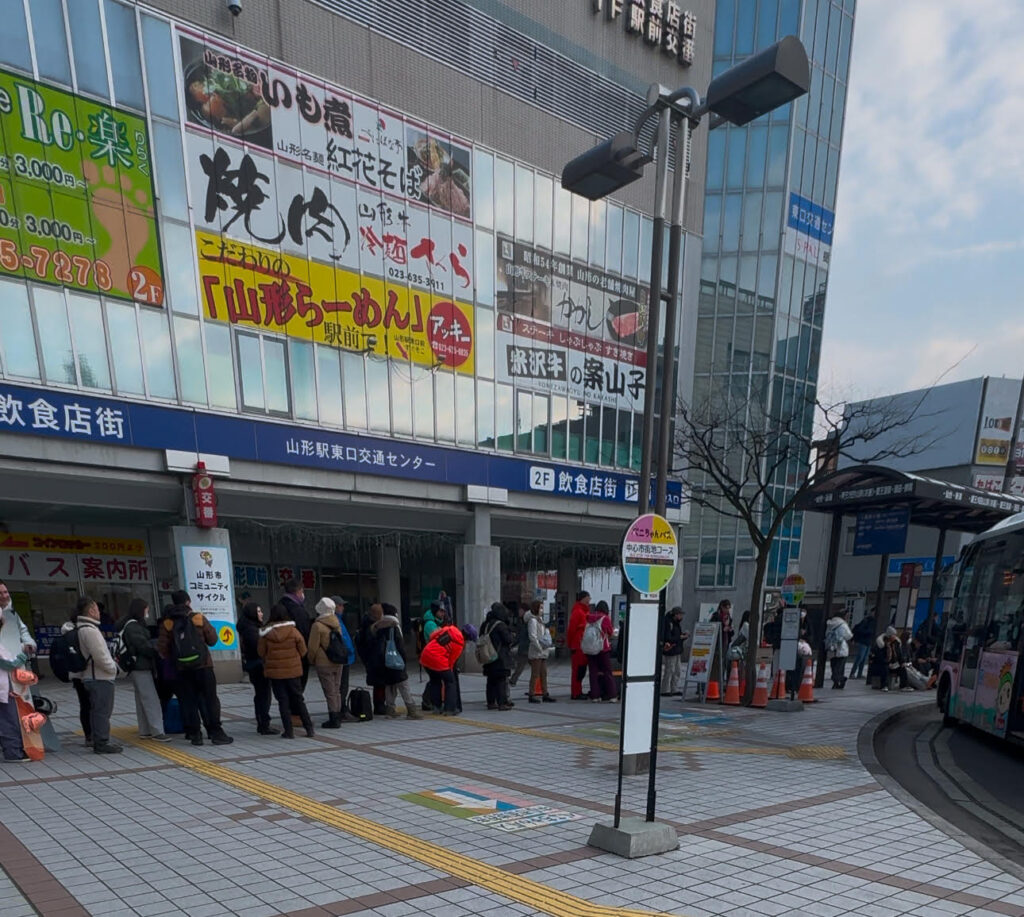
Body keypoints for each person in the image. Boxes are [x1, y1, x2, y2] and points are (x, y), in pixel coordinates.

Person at [157, 590, 233, 746]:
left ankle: (195, 735)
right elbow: (212, 640)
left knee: (187, 701)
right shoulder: (198, 618)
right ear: (188, 602)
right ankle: (216, 733)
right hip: (203, 666)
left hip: (182, 669)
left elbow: (162, 649)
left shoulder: (167, 623)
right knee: (210, 699)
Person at [258, 603, 315, 738]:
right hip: (293, 672)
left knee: (283, 701)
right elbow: (303, 650)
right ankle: (309, 728)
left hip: (275, 673)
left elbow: (261, 652)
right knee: (298, 699)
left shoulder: (266, 634)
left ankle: (289, 731)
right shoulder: (293, 631)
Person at [74, 596, 122, 754]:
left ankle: (97, 739)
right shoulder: (90, 630)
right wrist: (113, 668)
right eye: (96, 608)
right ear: (91, 610)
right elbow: (100, 656)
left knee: (96, 710)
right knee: (102, 711)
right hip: (99, 677)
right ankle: (102, 742)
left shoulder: (82, 628)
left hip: (91, 675)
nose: (99, 612)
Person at [119, 598, 170, 741]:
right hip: (141, 666)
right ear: (141, 610)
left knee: (141, 699)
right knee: (150, 699)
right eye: (146, 609)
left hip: (136, 666)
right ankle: (157, 731)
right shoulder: (133, 626)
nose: (148, 612)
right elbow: (142, 646)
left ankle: (145, 730)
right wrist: (156, 650)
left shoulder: (129, 624)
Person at [365, 603, 422, 719]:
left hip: (384, 661)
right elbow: (400, 646)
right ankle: (411, 710)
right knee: (403, 684)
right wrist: (404, 660)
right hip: (395, 659)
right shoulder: (393, 626)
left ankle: (390, 709)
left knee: (390, 685)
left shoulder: (376, 627)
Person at [0, 580, 35, 763]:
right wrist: (23, 650)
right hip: (6, 678)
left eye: (6, 592)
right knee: (9, 717)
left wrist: (28, 645)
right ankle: (13, 752)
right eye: (1, 593)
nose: (5, 595)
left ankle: (16, 748)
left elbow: (23, 635)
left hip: (12, 676)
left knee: (12, 715)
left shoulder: (11, 614)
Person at [238, 601, 277, 735]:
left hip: (254, 664)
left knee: (262, 694)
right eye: (259, 611)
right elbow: (259, 648)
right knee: (263, 695)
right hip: (257, 665)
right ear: (252, 613)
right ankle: (263, 724)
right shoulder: (251, 630)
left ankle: (263, 722)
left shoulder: (250, 626)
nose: (261, 614)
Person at [307, 597, 345, 728]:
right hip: (338, 660)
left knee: (329, 691)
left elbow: (312, 647)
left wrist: (311, 660)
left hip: (324, 662)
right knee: (336, 689)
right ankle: (338, 715)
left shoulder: (317, 625)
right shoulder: (336, 622)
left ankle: (333, 718)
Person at [419, 616, 465, 715]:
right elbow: (451, 662)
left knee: (435, 681)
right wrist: (449, 671)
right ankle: (449, 709)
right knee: (450, 682)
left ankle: (436, 707)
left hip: (426, 654)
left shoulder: (449, 629)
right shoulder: (460, 644)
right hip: (438, 659)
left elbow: (432, 636)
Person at [279, 578, 312, 690]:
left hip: (280, 658)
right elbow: (304, 633)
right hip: (296, 657)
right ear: (298, 591)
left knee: (285, 694)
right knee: (297, 691)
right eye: (302, 591)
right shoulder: (297, 610)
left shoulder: (279, 607)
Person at [481, 602, 514, 710]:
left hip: (488, 655)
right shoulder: (500, 625)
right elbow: (508, 640)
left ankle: (491, 702)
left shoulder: (485, 624)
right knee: (501, 680)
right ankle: (502, 703)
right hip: (500, 657)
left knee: (490, 680)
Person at [585, 600, 617, 702]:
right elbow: (611, 632)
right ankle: (612, 695)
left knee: (593, 672)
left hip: (590, 648)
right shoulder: (605, 618)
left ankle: (595, 695)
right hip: (603, 648)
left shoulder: (589, 617)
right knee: (607, 672)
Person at [330, 596, 356, 719]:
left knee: (341, 686)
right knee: (341, 686)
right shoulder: (335, 621)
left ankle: (341, 708)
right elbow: (343, 640)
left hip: (344, 657)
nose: (342, 607)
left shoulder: (339, 620)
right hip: (342, 657)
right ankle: (341, 709)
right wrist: (349, 651)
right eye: (340, 605)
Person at [525, 600, 556, 703]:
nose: (542, 610)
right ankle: (532, 694)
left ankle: (545, 693)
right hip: (536, 651)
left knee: (543, 673)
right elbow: (532, 637)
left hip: (542, 651)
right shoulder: (533, 621)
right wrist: (539, 647)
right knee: (535, 674)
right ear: (536, 608)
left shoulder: (540, 620)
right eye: (541, 608)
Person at [566, 591, 591, 700]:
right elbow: (571, 630)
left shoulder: (584, 611)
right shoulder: (578, 611)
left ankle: (578, 691)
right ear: (583, 598)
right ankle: (576, 692)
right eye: (588, 597)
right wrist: (570, 644)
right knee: (577, 670)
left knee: (581, 670)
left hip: (583, 645)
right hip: (578, 645)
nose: (589, 599)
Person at [660, 606, 688, 696]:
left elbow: (676, 636)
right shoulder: (668, 622)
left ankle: (674, 688)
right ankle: (665, 689)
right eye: (680, 615)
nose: (681, 617)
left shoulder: (676, 623)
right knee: (669, 670)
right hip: (671, 649)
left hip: (677, 649)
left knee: (677, 670)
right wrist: (680, 637)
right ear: (676, 614)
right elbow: (668, 637)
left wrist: (682, 637)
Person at [825, 610, 854, 689]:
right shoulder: (843, 624)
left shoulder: (829, 623)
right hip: (841, 648)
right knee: (840, 667)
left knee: (833, 666)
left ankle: (836, 682)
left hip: (831, 648)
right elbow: (849, 636)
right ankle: (841, 679)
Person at [508, 603, 530, 688]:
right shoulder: (522, 620)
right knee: (521, 664)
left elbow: (521, 635)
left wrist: (513, 644)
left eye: (520, 610)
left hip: (526, 646)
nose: (519, 612)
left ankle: (513, 680)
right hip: (525, 647)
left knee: (521, 665)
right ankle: (513, 680)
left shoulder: (526, 621)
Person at [849, 612, 875, 679]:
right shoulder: (866, 621)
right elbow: (860, 629)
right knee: (860, 657)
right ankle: (853, 673)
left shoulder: (872, 621)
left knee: (863, 659)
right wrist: (869, 632)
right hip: (863, 641)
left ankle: (859, 674)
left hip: (868, 642)